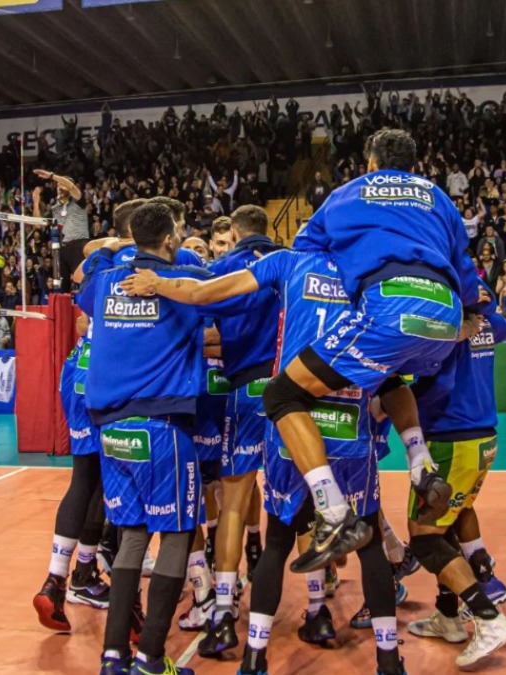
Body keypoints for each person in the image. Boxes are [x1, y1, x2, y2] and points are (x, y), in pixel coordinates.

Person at [121, 247, 409, 675]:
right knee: (366, 544)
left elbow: (206, 292)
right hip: (349, 420)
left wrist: (158, 284)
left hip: (291, 418)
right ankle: (386, 660)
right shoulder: (371, 272)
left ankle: (254, 657)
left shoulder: (289, 262)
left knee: (276, 539)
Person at [261, 129, 492, 573]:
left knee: (282, 395)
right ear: (411, 164)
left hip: (391, 304)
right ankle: (421, 464)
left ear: (370, 162)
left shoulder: (349, 193)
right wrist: (464, 310)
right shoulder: (437, 196)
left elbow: (310, 250)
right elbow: (463, 264)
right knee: (388, 378)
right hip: (443, 317)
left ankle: (332, 514)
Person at [77, 202, 209, 675]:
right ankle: (152, 657)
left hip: (113, 431)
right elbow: (227, 300)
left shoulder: (106, 282)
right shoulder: (181, 288)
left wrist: (113, 249)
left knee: (132, 536)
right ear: (171, 238)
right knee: (176, 535)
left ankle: (113, 657)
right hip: (162, 428)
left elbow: (85, 279)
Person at [404, 312, 506, 668]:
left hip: (451, 436)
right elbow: (501, 327)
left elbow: (436, 382)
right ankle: (447, 616)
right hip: (482, 435)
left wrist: (396, 398)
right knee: (449, 525)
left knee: (424, 539)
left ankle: (487, 617)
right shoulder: (488, 320)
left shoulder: (444, 321)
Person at [194, 204, 283, 656]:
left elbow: (201, 323)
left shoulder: (222, 269)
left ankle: (224, 613)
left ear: (235, 232)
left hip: (245, 388)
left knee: (233, 501)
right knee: (296, 502)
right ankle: (318, 607)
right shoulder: (287, 263)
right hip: (289, 390)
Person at [33, 313, 113, 631]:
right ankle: (84, 574)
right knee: (108, 475)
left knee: (87, 477)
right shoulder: (146, 271)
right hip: (104, 370)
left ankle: (61, 578)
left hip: (79, 366)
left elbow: (80, 321)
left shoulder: (100, 268)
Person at [34, 169, 89, 293]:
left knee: (81, 281)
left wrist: (52, 176)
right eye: (58, 185)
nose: (59, 186)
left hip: (79, 245)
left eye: (62, 184)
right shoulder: (54, 208)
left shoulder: (78, 201)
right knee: (62, 286)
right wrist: (36, 203)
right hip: (62, 248)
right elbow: (38, 225)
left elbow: (71, 187)